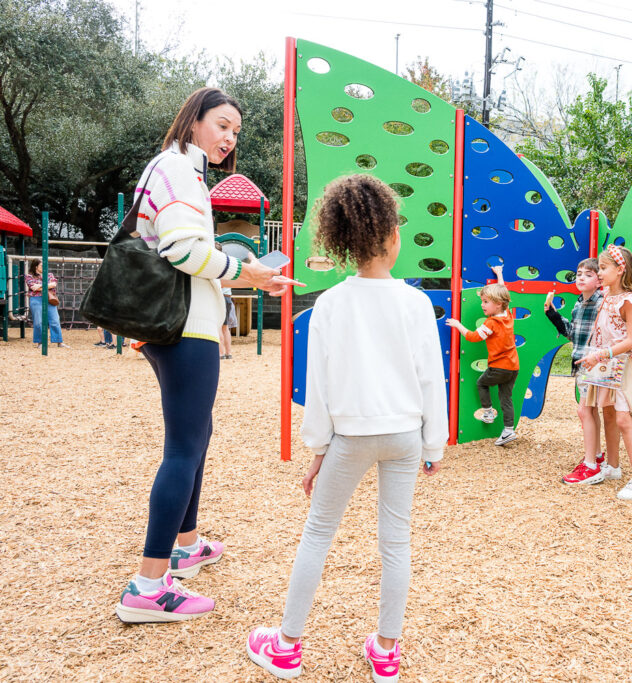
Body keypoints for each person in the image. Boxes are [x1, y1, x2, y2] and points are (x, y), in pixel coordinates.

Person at [245, 174, 447, 681]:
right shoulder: (417, 303)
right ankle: (385, 650)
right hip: (404, 436)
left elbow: (321, 388)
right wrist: (434, 444)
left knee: (317, 533)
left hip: (351, 437)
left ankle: (287, 646)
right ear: (393, 238)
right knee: (395, 543)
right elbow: (431, 378)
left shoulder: (330, 304)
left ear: (343, 242)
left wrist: (316, 450)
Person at [114, 87, 302, 624]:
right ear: (194, 120)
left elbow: (187, 251)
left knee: (196, 437)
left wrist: (246, 278)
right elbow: (181, 250)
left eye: (235, 132)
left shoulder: (183, 172)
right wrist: (249, 273)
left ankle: (185, 545)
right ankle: (147, 587)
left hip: (183, 324)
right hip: (184, 327)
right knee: (184, 446)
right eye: (222, 125)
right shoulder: (175, 169)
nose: (229, 138)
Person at [577, 245, 632, 501]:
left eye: (604, 268)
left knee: (622, 418)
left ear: (620, 271)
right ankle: (613, 466)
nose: (599, 272)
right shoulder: (605, 294)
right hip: (605, 365)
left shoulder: (629, 301)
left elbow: (630, 339)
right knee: (607, 412)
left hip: (620, 366)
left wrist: (601, 354)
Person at [543, 257, 623, 484]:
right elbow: (572, 334)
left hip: (597, 364)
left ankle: (591, 465)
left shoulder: (602, 302)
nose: (581, 277)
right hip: (583, 364)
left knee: (585, 410)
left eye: (588, 274)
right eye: (579, 273)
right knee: (588, 410)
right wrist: (553, 314)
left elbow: (619, 326)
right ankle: (596, 457)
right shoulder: (579, 303)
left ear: (600, 281)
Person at [446, 265, 520, 446]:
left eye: (486, 301)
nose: (482, 305)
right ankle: (508, 431)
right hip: (513, 367)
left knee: (481, 383)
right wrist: (500, 274)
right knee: (506, 398)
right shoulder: (508, 315)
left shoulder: (491, 323)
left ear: (498, 304)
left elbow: (473, 337)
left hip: (499, 366)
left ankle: (488, 412)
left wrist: (457, 324)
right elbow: (504, 292)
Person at [24, 259, 67, 348]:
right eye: (41, 266)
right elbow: (33, 287)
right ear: (36, 266)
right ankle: (40, 342)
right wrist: (47, 286)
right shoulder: (29, 276)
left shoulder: (49, 275)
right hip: (36, 299)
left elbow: (53, 285)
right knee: (38, 322)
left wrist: (39, 286)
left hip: (49, 298)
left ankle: (59, 341)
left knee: (55, 320)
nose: (44, 267)